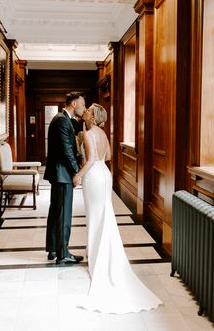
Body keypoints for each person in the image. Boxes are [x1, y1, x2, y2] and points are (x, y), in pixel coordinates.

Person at [73, 103, 163, 313]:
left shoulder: (88, 134)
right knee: (104, 216)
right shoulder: (103, 134)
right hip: (104, 175)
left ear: (93, 118)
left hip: (93, 177)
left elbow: (92, 159)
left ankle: (98, 260)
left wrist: (78, 175)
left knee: (95, 218)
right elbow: (107, 158)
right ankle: (102, 255)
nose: (84, 111)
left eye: (88, 110)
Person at [44, 91, 86, 265]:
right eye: (82, 105)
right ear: (74, 104)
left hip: (58, 174)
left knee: (55, 212)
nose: (84, 109)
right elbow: (67, 150)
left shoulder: (63, 119)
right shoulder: (62, 120)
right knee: (63, 215)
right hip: (62, 174)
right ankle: (63, 254)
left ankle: (53, 249)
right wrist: (77, 172)